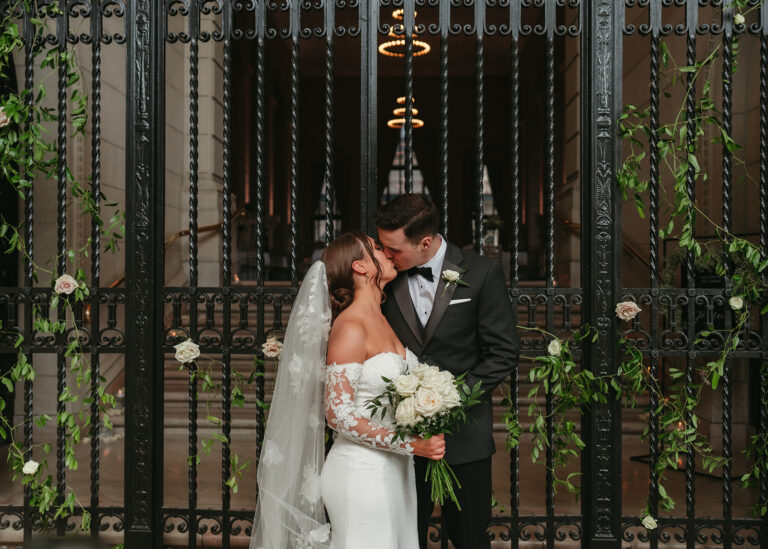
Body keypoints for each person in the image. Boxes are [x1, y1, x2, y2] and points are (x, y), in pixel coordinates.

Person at [250, 230, 444, 549]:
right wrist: (412, 444)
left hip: (397, 472)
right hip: (362, 474)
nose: (388, 253)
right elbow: (338, 416)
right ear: (360, 267)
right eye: (378, 250)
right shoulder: (351, 326)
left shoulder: (382, 318)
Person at [376, 194, 519, 549]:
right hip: (403, 439)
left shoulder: (482, 272)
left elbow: (503, 352)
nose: (385, 256)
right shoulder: (383, 278)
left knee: (469, 536)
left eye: (393, 249)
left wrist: (449, 400)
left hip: (466, 438)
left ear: (425, 243)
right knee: (406, 536)